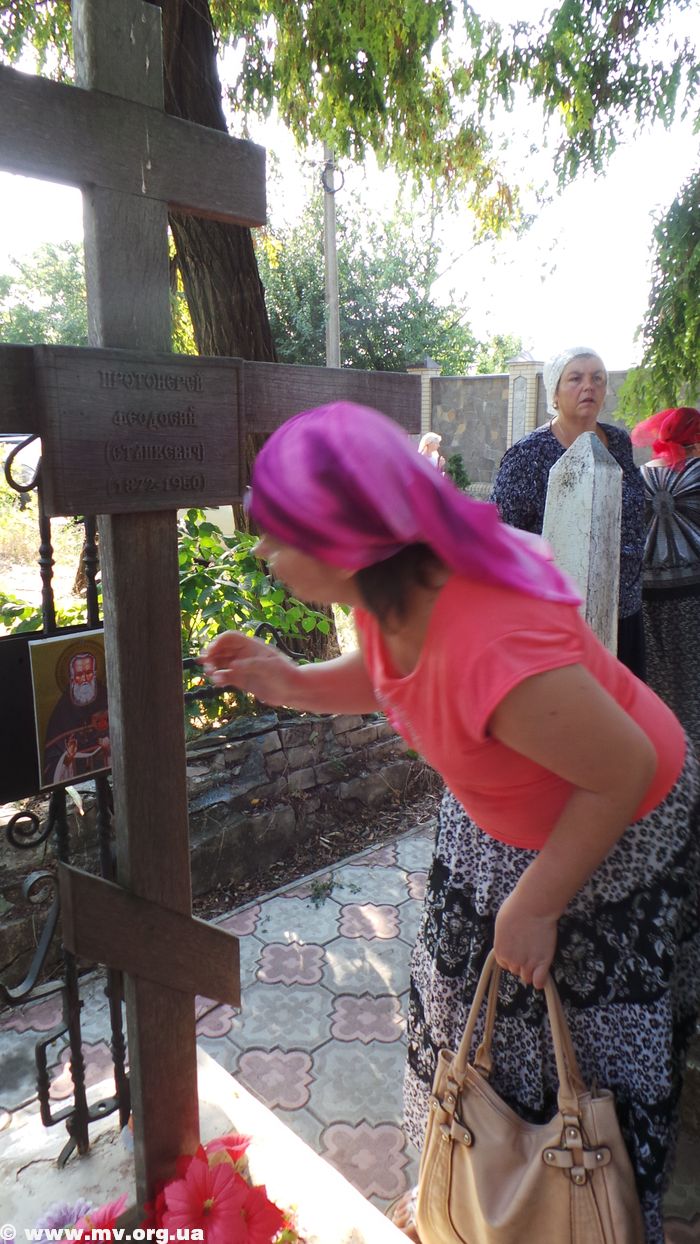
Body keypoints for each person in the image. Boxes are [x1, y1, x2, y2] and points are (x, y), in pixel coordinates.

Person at [202, 402, 699, 1244]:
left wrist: (536, 903)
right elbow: (390, 671)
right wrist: (288, 681)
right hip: (506, 826)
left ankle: (558, 1213)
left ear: (345, 536)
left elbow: (623, 770)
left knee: (572, 1075)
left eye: (279, 531)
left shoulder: (484, 635)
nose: (261, 551)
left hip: (608, 839)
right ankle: (470, 1191)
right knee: (466, 1031)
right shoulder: (392, 586)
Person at [490, 347, 647, 678]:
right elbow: (501, 539)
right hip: (559, 622)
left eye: (597, 378)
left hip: (625, 610)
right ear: (555, 393)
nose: (589, 386)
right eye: (576, 378)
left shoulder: (618, 442)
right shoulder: (527, 456)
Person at [631, 406, 700, 757]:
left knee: (659, 686)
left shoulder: (637, 477)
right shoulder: (697, 473)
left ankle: (667, 757)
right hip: (693, 598)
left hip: (647, 600)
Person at [43, 650, 110, 786]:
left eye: (89, 673)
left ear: (95, 673)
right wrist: (68, 757)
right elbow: (51, 760)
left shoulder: (106, 696)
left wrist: (109, 746)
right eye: (79, 675)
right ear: (72, 678)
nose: (85, 679)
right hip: (75, 780)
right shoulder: (62, 710)